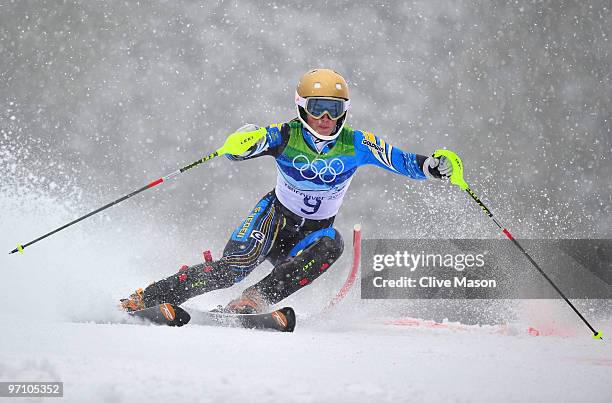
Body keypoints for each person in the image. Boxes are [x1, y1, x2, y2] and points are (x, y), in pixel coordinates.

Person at [120, 68, 452, 314]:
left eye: (334, 109)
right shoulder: (285, 134)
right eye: (317, 107)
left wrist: (432, 166)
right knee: (233, 268)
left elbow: (401, 160)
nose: (324, 117)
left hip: (309, 236)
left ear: (344, 111)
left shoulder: (357, 143)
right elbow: (246, 147)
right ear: (301, 107)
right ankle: (148, 297)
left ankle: (251, 301)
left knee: (331, 243)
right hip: (274, 219)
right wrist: (240, 143)